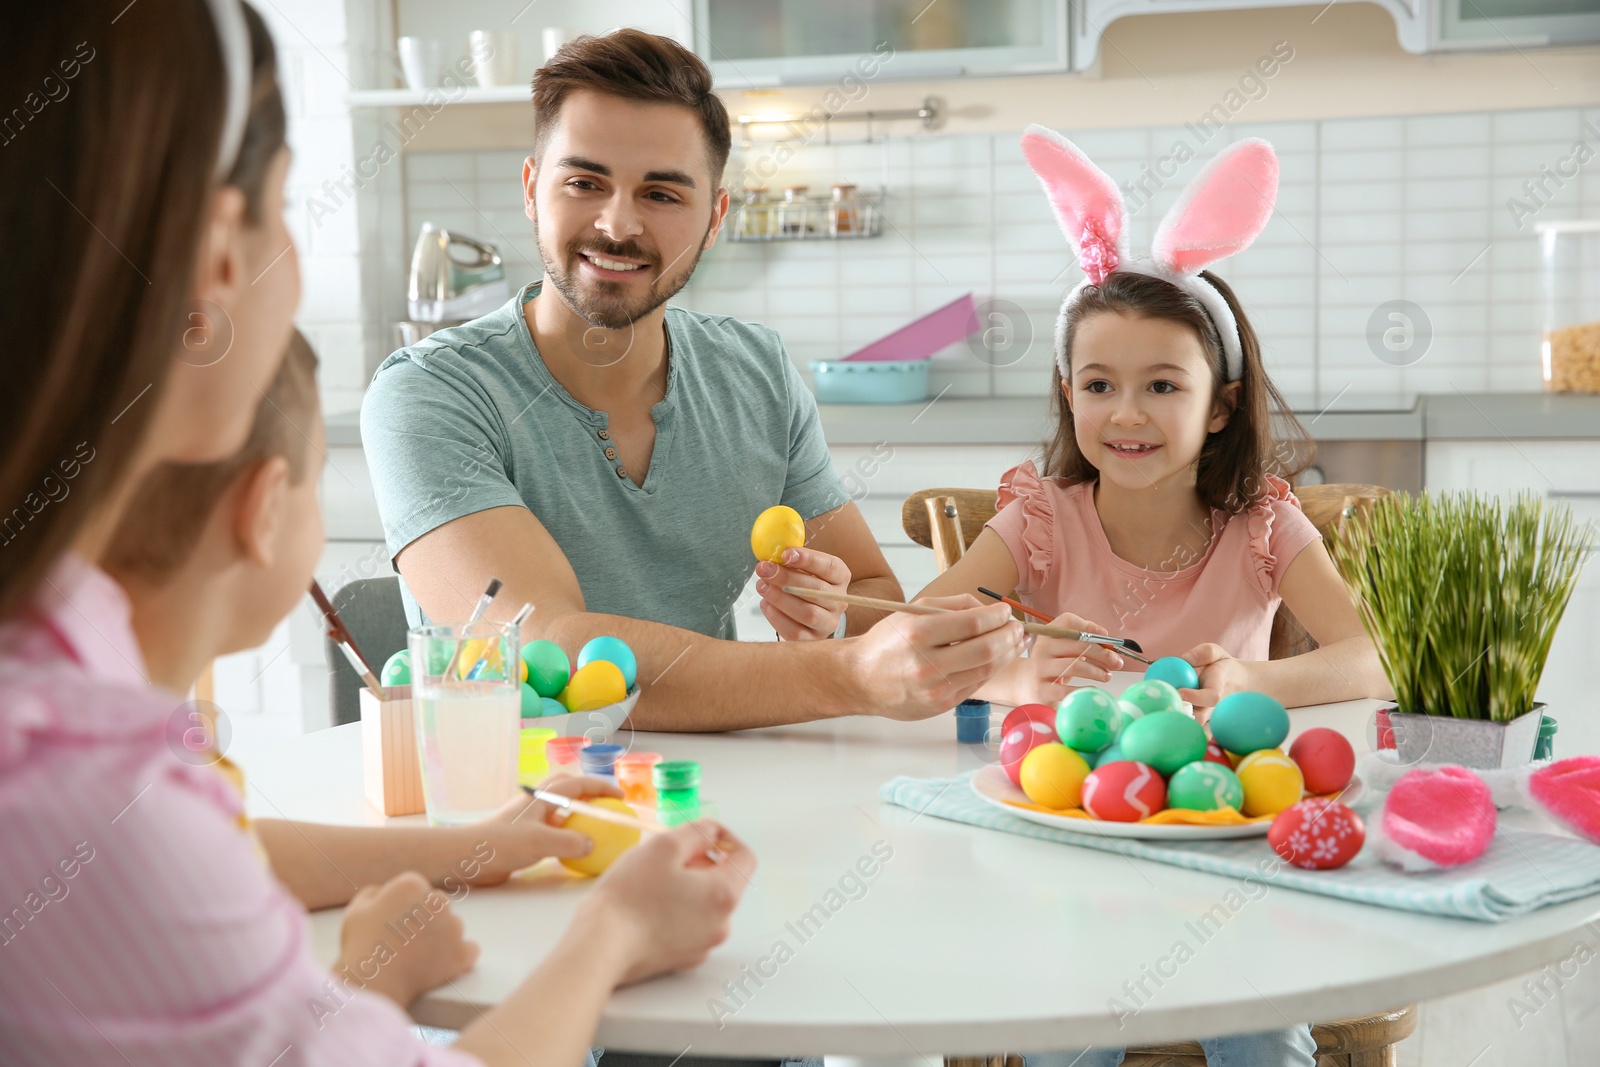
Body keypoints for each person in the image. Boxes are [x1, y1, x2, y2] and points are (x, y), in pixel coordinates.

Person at [0, 5, 751, 1065]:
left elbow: (222, 848)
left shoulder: (57, 655)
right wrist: (612, 931)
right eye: (277, 212)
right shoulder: (76, 789)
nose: (619, 222)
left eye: (659, 190)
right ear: (216, 269)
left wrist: (466, 851)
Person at [361, 29, 1023, 732]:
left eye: (662, 193)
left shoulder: (758, 374)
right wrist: (847, 672)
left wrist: (828, 616)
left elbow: (866, 587)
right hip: (510, 811)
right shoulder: (429, 394)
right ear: (532, 190)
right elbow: (549, 647)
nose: (617, 225)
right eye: (584, 183)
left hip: (712, 794)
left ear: (715, 219)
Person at [920, 127, 1394, 1067]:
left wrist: (1247, 681)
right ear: (1067, 394)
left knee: (1264, 1029)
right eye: (1099, 384)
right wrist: (1015, 667)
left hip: (1228, 838)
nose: (1126, 413)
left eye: (1162, 385)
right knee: (1069, 1034)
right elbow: (921, 634)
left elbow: (1373, 656)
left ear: (1219, 403)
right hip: (1067, 844)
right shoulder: (1041, 518)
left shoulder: (1261, 521)